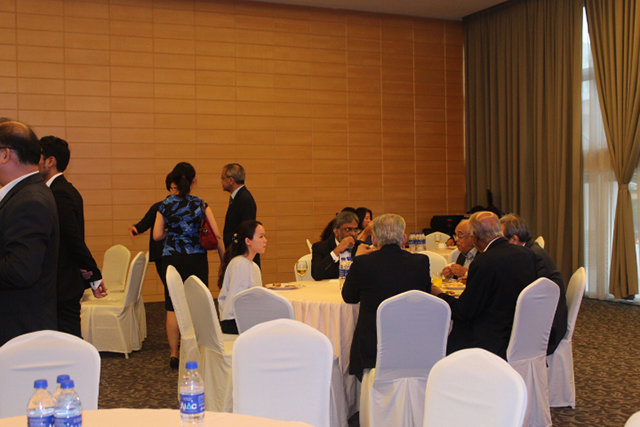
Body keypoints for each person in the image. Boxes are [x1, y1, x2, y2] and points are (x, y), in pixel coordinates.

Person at [432, 211, 538, 359]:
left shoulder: (484, 261)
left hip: (491, 339)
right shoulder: (526, 254)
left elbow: (464, 311)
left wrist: (439, 294)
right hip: (521, 333)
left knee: (455, 332)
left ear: (474, 236)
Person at [342, 213, 431, 379]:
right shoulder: (420, 262)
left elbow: (349, 297)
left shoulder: (362, 263)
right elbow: (425, 295)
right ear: (404, 239)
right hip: (412, 343)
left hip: (372, 348)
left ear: (374, 240)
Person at [153, 162, 224, 369]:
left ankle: (174, 354)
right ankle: (197, 348)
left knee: (172, 305)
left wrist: (171, 232)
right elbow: (217, 233)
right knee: (198, 302)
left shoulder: (165, 205)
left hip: (172, 259)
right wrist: (223, 260)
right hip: (196, 258)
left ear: (174, 181)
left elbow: (157, 235)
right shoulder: (201, 204)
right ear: (194, 181)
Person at [39, 136, 108, 337]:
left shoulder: (59, 193)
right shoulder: (59, 190)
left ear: (50, 161)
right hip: (62, 280)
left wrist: (94, 274)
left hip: (62, 283)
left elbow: (73, 238)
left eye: (38, 156)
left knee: (68, 339)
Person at [0, 121, 59, 346]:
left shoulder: (29, 200)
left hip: (18, 329)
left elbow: (21, 271)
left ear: (5, 154)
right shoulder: (23, 194)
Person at [500, 213, 568, 355]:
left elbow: (523, 295)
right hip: (545, 316)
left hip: (547, 329)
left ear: (514, 239)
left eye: (501, 240)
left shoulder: (531, 257)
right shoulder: (530, 250)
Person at [129, 174, 177, 296]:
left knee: (176, 286)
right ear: (169, 188)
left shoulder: (186, 207)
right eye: (174, 188)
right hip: (161, 252)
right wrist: (136, 228)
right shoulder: (159, 206)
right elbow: (146, 222)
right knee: (169, 285)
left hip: (178, 251)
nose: (176, 192)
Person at [217, 220, 266, 334]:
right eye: (261, 236)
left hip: (242, 318)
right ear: (248, 241)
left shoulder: (252, 265)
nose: (265, 240)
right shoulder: (240, 264)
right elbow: (238, 299)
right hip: (234, 321)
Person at [221, 163, 259, 266]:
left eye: (223, 178)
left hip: (243, 257)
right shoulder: (238, 197)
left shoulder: (245, 199)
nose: (221, 181)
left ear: (231, 180)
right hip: (237, 255)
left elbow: (247, 231)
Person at [312, 211, 363, 281]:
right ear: (336, 231)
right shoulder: (320, 247)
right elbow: (316, 274)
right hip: (328, 287)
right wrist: (336, 251)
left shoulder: (360, 246)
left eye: (355, 230)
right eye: (348, 229)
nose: (353, 234)